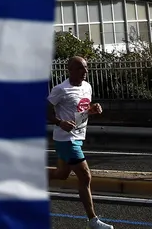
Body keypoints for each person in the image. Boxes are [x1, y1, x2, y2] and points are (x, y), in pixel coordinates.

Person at [48, 56, 112, 229]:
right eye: (81, 68)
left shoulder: (87, 87)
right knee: (85, 176)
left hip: (78, 136)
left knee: (61, 174)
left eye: (86, 68)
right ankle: (93, 220)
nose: (86, 72)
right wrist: (59, 122)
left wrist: (93, 109)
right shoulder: (60, 89)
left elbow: (82, 110)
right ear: (71, 70)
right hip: (66, 139)